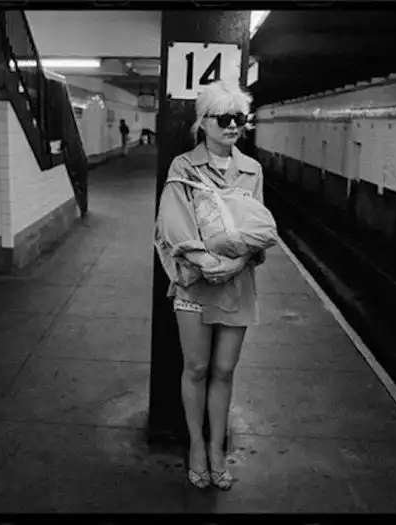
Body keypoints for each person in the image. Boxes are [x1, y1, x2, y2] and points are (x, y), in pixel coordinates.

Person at [154, 81, 274, 490]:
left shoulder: (252, 170)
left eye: (239, 118)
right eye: (223, 118)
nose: (233, 125)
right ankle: (196, 447)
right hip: (194, 284)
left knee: (224, 370)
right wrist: (207, 263)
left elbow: (259, 230)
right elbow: (174, 226)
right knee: (197, 368)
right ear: (203, 123)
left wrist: (236, 262)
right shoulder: (183, 168)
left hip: (236, 284)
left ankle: (217, 448)